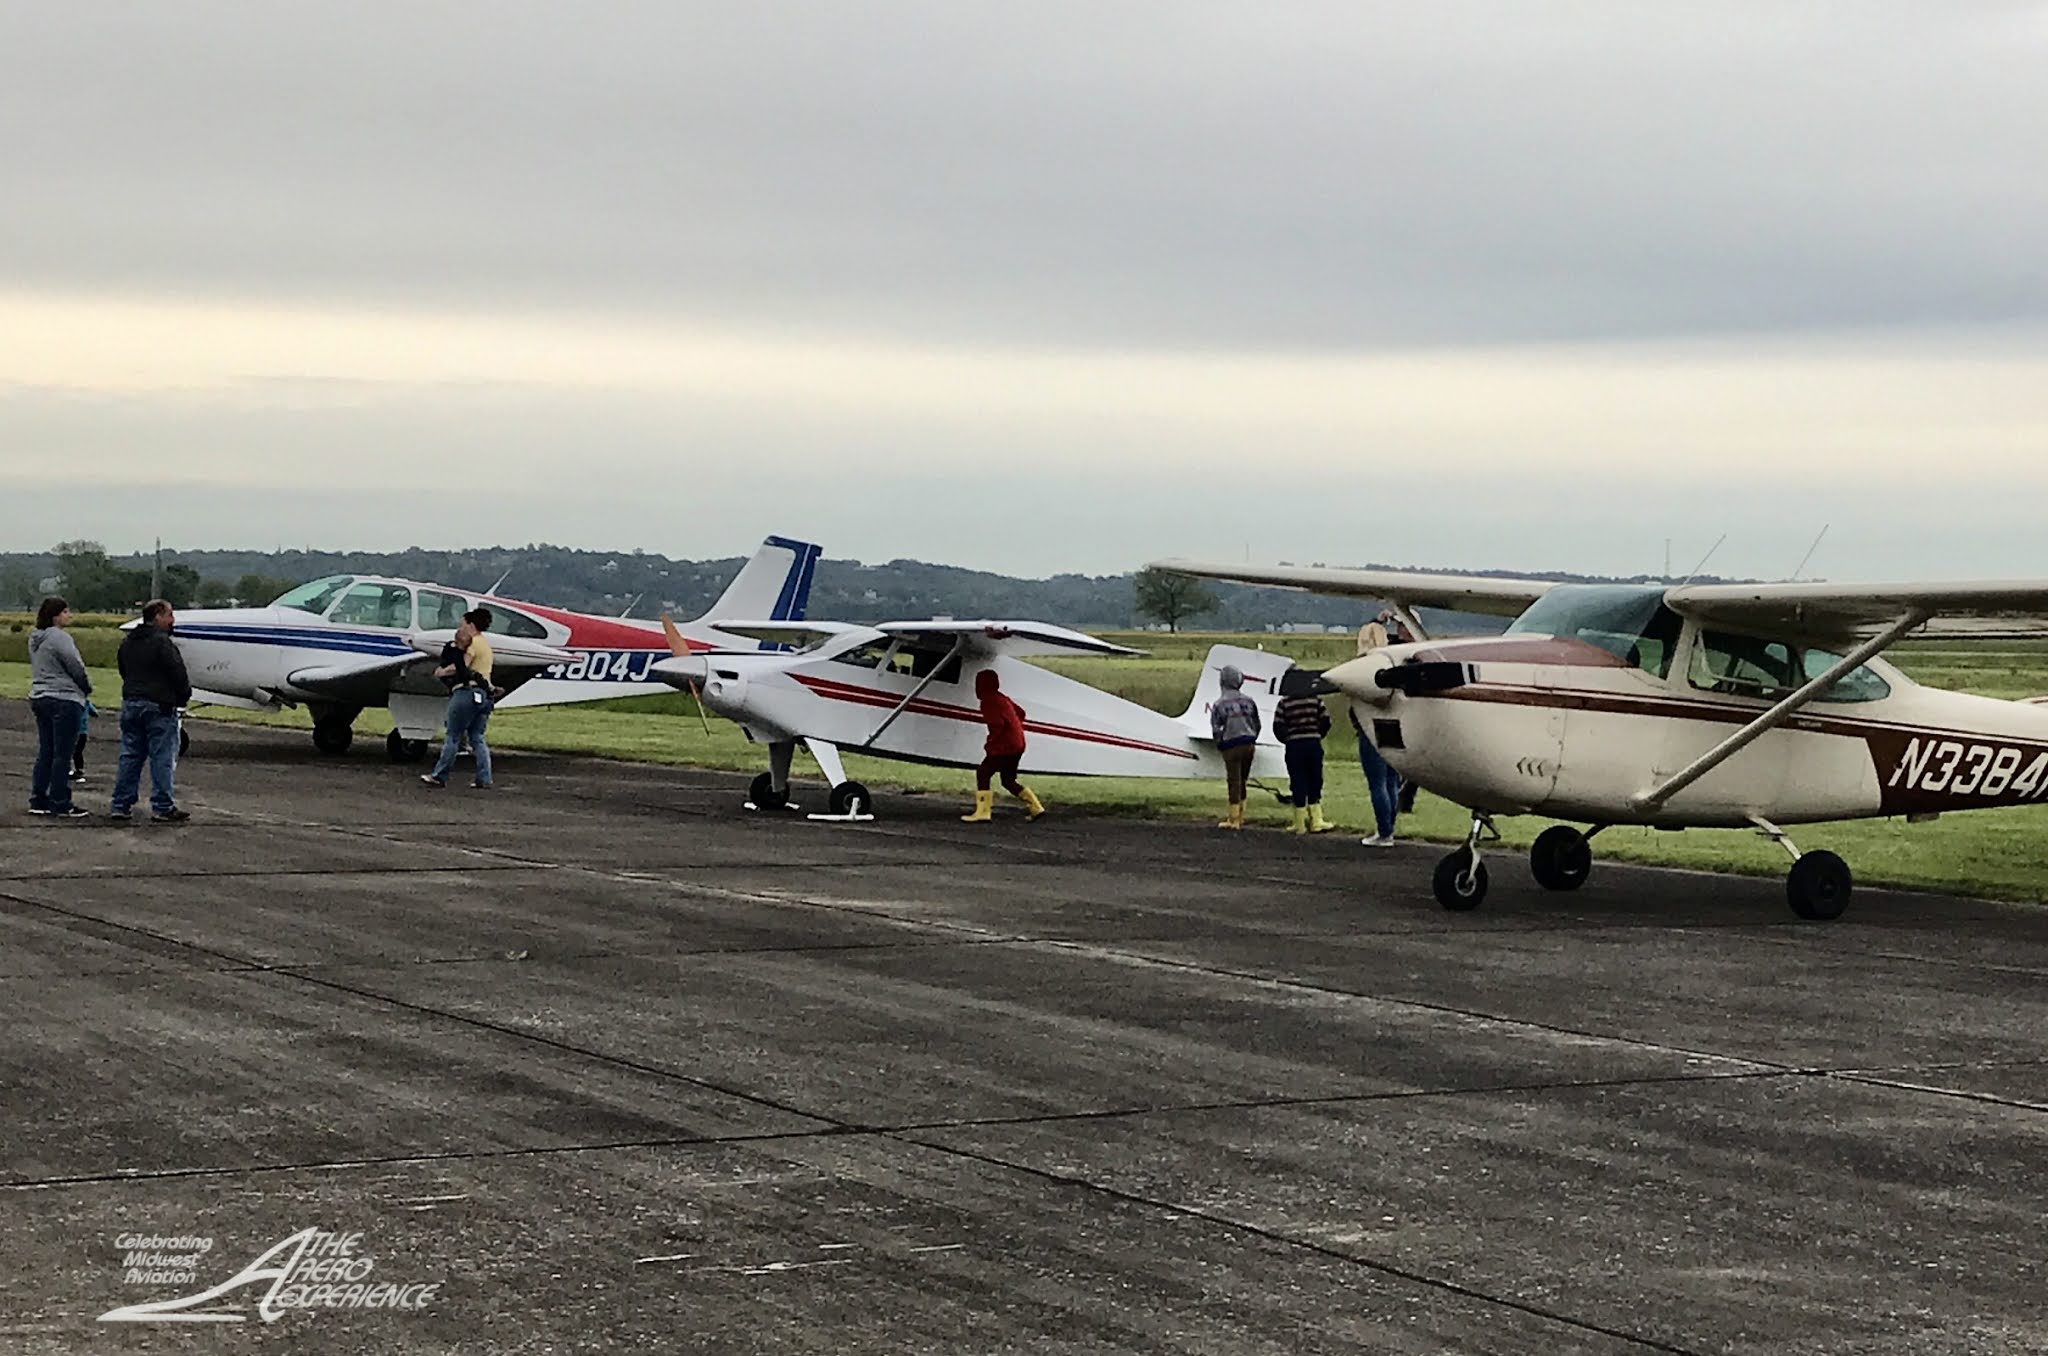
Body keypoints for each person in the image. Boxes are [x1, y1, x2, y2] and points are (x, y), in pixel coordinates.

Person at [109, 599, 192, 823]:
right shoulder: (162, 643)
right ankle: (163, 806)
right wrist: (182, 696)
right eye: (169, 615)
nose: (172, 621)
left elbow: (124, 669)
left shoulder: (128, 643)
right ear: (158, 616)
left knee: (130, 755)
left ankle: (120, 804)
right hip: (159, 705)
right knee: (162, 757)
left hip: (132, 702)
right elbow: (177, 672)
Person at [28, 596, 92, 818]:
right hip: (64, 698)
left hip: (40, 695)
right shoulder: (60, 637)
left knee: (46, 750)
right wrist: (86, 687)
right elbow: (75, 665)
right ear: (56, 615)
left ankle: (39, 798)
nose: (69, 616)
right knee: (63, 753)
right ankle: (60, 801)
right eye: (66, 612)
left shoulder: (35, 638)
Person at [422, 608, 498, 789]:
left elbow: (461, 666)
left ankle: (440, 775)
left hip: (466, 693)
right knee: (477, 737)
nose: (460, 627)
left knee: (453, 736)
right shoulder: (485, 645)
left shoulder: (472, 644)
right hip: (484, 695)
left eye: (463, 623)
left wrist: (441, 672)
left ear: (471, 624)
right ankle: (484, 778)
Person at [961, 669, 1045, 822]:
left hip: (1004, 745)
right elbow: (1021, 713)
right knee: (1007, 780)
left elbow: (997, 725)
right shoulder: (1002, 698)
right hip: (1018, 743)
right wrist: (1014, 727)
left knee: (983, 773)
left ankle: (983, 812)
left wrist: (991, 744)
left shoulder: (988, 701)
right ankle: (1035, 807)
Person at [1353, 622, 1403, 846]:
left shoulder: (1362, 668)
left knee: (1377, 783)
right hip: (1394, 727)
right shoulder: (1394, 662)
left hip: (1370, 729)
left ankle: (1384, 832)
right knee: (1391, 780)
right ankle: (1389, 827)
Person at [1272, 669, 1334, 834]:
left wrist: (1288, 738)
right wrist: (1318, 734)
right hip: (1313, 743)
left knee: (1297, 780)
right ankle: (1316, 819)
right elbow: (1326, 721)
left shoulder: (1284, 703)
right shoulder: (1315, 700)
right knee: (1315, 779)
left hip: (1294, 746)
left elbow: (1277, 726)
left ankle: (1299, 823)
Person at [1210, 664, 1262, 830]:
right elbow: (1257, 723)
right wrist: (1252, 738)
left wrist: (1220, 744)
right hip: (1248, 743)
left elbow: (1216, 728)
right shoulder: (1249, 701)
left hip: (1231, 745)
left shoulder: (1219, 704)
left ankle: (1233, 819)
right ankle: (1241, 814)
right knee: (1243, 780)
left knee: (1233, 780)